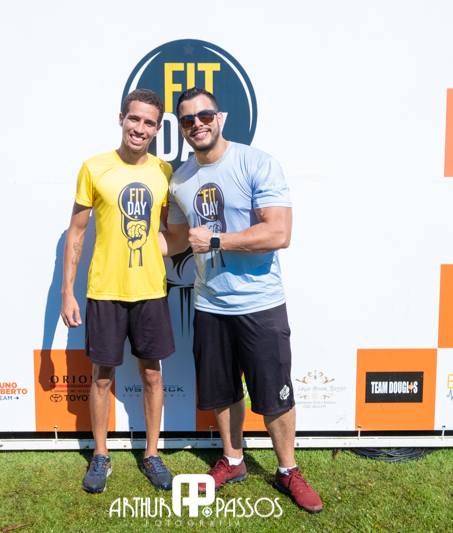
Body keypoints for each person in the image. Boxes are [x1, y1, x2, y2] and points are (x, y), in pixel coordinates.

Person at [158, 87, 322, 513]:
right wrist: (134, 242)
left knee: (274, 395)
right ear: (181, 128)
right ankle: (233, 461)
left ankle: (287, 469)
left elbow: (279, 232)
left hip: (260, 303)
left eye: (204, 115)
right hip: (210, 304)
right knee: (223, 391)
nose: (197, 124)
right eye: (188, 119)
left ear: (220, 118)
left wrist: (216, 240)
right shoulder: (180, 179)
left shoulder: (257, 162)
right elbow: (177, 239)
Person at [61, 89, 175, 493]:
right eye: (134, 119)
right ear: (121, 118)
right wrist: (67, 293)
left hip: (150, 290)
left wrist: (156, 247)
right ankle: (100, 455)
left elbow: (168, 231)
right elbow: (76, 232)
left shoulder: (164, 171)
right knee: (101, 378)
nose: (139, 128)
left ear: (157, 129)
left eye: (149, 122)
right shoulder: (94, 168)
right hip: (105, 290)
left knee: (152, 375)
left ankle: (152, 454)